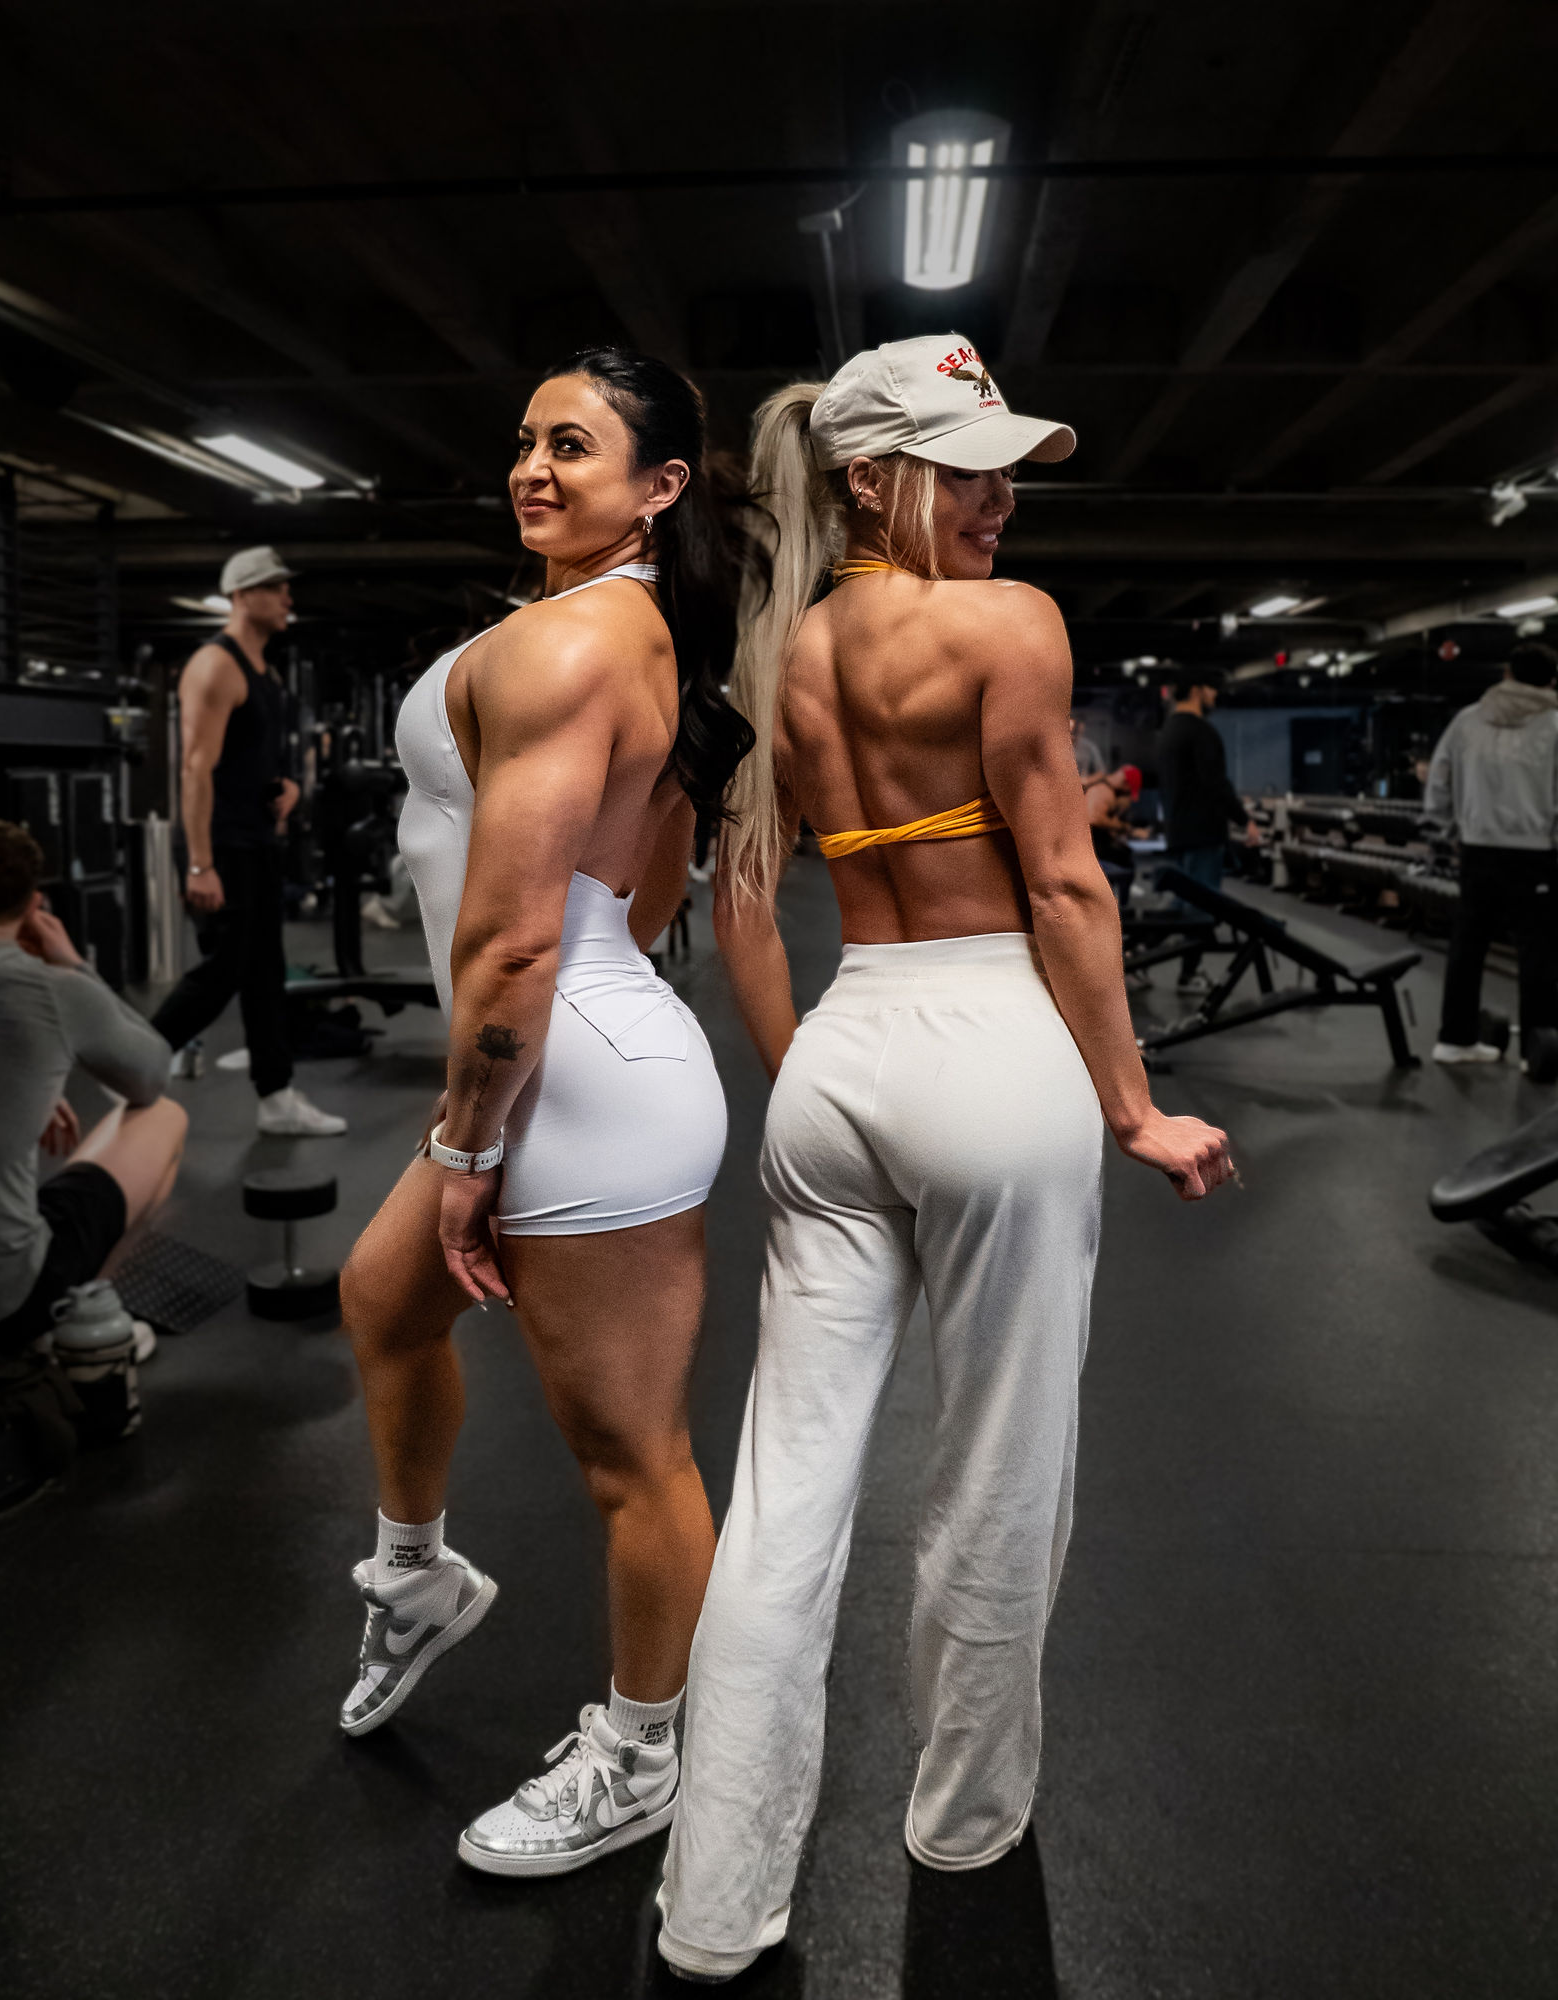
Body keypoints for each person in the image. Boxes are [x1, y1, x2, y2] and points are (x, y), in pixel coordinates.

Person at [654, 334, 1233, 1982]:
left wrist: (814, 1073)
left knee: (782, 1503)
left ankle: (715, 1910)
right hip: (995, 1054)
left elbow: (749, 901)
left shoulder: (780, 651)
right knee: (997, 1476)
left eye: (1002, 470)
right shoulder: (1010, 627)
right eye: (960, 465)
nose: (995, 501)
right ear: (865, 478)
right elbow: (1062, 889)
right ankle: (963, 1823)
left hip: (844, 1051)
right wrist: (1136, 1107)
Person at [338, 347, 758, 1878]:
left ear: (657, 486)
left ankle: (643, 1756)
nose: (531, 466)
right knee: (382, 1303)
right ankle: (417, 1575)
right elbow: (636, 903)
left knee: (631, 1456)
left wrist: (468, 1144)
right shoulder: (613, 632)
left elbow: (518, 939)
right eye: (522, 440)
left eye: (571, 445)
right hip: (562, 1049)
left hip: (574, 1082)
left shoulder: (582, 645)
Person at [0, 821, 187, 1356]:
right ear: (34, 906)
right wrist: (74, 965)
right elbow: (151, 1074)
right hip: (0, 1303)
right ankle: (76, 1315)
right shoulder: (51, 990)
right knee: (164, 1116)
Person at [151, 545, 345, 1136]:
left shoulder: (267, 673)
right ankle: (134, 1062)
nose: (288, 597)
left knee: (264, 973)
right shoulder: (215, 666)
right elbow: (194, 769)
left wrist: (283, 787)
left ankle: (276, 1097)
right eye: (274, 587)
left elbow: (247, 760)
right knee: (226, 969)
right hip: (220, 847)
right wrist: (199, 865)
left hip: (254, 839)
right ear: (241, 596)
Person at [1425, 640, 1558, 1068]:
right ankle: (1537, 1049)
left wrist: (1449, 828)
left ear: (1507, 674)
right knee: (1537, 952)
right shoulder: (1555, 724)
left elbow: (1439, 780)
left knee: (1467, 945)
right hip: (1535, 853)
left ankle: (1455, 1041)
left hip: (1477, 849)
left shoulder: (1468, 721)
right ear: (1552, 679)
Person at [1156, 670, 1259, 993]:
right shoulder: (1201, 732)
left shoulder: (1168, 731)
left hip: (1178, 830)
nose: (1216, 696)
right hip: (1203, 833)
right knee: (1201, 907)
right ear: (1198, 690)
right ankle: (1189, 975)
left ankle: (1129, 953)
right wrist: (1245, 820)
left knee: (1181, 903)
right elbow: (1216, 784)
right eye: (1213, 689)